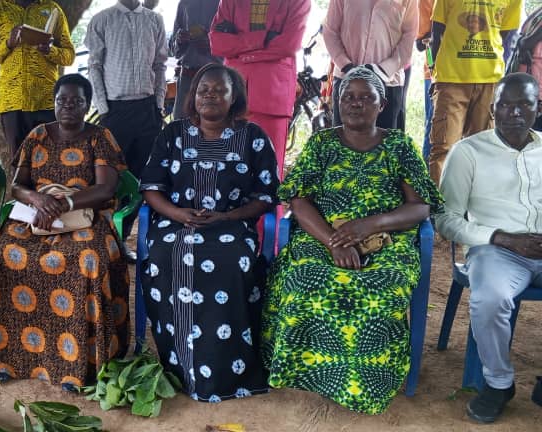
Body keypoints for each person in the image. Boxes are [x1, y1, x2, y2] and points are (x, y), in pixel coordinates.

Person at [264, 67, 443, 414]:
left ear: (382, 104)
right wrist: (334, 241)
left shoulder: (399, 146)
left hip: (387, 240)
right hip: (323, 237)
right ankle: (308, 372)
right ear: (337, 102)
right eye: (348, 97)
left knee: (384, 290)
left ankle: (367, 382)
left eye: (365, 97)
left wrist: (369, 225)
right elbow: (298, 201)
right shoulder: (321, 144)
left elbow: (420, 207)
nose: (355, 103)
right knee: (303, 280)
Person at [0, 74, 129, 391]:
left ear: (87, 105)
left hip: (84, 216)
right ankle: (8, 355)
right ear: (53, 103)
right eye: (61, 100)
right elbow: (17, 185)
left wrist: (65, 203)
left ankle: (75, 364)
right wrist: (37, 199)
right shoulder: (37, 135)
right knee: (6, 254)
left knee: (87, 259)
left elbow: (105, 188)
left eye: (76, 101)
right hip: (38, 215)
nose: (68, 106)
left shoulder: (99, 136)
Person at [139, 63, 279, 402]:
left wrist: (226, 216)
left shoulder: (253, 137)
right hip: (175, 223)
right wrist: (177, 213)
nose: (210, 96)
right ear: (193, 95)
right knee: (164, 256)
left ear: (234, 97)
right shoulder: (173, 133)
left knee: (231, 261)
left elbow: (265, 196)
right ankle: (177, 367)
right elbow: (151, 187)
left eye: (219, 90)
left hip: (231, 225)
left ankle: (226, 370)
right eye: (203, 90)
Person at [434, 72, 542, 423]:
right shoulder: (468, 152)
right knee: (490, 299)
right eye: (506, 105)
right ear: (493, 109)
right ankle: (498, 383)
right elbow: (445, 218)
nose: (515, 113)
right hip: (497, 250)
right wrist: (502, 238)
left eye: (524, 104)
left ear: (537, 108)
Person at [86, 0, 167, 261]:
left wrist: (158, 105)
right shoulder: (102, 20)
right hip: (115, 111)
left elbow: (160, 66)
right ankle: (101, 237)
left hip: (147, 109)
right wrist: (103, 109)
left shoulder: (154, 20)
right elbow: (94, 65)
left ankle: (121, 240)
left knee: (141, 177)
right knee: (110, 177)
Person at [208, 0, 310, 178]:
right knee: (226, 173)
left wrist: (240, 50)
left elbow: (289, 44)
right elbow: (217, 43)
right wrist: (263, 39)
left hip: (272, 97)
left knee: (268, 172)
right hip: (232, 95)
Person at [427, 0, 521, 184]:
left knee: (483, 150)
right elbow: (436, 32)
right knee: (444, 148)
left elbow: (507, 35)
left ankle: (475, 200)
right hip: (451, 79)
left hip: (490, 80)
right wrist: (436, 75)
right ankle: (440, 202)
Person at [0, 0, 75, 157]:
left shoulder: (52, 9)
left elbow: (69, 55)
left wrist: (50, 51)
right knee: (19, 161)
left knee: (49, 160)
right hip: (12, 103)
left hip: (46, 101)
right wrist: (7, 44)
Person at [323, 0, 418, 129]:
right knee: (343, 140)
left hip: (388, 83)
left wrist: (383, 70)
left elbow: (410, 36)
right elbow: (330, 31)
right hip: (346, 82)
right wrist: (346, 66)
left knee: (386, 140)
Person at [170, 0, 224, 122]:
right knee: (181, 127)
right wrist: (179, 41)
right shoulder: (184, 3)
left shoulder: (225, 3)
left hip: (216, 79)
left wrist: (212, 45)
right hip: (187, 80)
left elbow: (234, 44)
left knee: (215, 127)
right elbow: (173, 49)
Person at [416, 0, 434, 157]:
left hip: (477, 73)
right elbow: (420, 43)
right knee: (434, 128)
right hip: (435, 73)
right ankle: (426, 171)